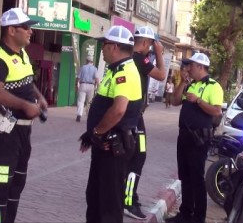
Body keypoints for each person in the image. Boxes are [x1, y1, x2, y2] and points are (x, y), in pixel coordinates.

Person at [0, 8, 48, 223]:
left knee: (14, 190)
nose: (31, 32)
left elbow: (28, 80)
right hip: (3, 135)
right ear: (11, 30)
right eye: (26, 27)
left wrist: (39, 97)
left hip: (22, 133)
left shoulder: (23, 55)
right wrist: (26, 105)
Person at [79, 25, 143, 223]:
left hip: (113, 147)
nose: (102, 49)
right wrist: (93, 135)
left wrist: (95, 132)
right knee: (95, 197)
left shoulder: (126, 72)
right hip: (104, 145)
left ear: (114, 47)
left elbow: (118, 110)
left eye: (104, 45)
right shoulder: (114, 70)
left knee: (109, 203)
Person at [166, 53, 223, 223]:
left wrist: (198, 101)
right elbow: (175, 101)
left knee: (196, 177)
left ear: (199, 66)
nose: (187, 68)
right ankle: (185, 213)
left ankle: (198, 217)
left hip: (199, 138)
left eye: (190, 65)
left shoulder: (214, 86)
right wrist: (182, 82)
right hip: (183, 136)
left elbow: (216, 111)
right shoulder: (191, 85)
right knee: (185, 175)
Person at [123, 25, 166, 220]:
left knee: (129, 156)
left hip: (130, 114)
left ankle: (126, 194)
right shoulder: (141, 58)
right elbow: (161, 75)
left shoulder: (129, 58)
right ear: (147, 43)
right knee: (139, 156)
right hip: (134, 117)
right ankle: (128, 200)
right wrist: (160, 55)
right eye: (152, 44)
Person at [76, 55, 99, 122]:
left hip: (82, 85)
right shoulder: (95, 68)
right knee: (89, 102)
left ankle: (79, 115)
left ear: (86, 61)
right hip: (91, 86)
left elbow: (78, 77)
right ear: (92, 61)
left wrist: (76, 85)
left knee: (80, 101)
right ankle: (88, 117)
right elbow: (96, 78)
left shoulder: (82, 67)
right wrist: (98, 86)